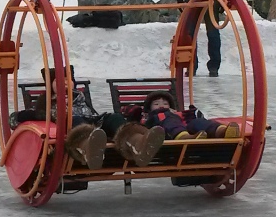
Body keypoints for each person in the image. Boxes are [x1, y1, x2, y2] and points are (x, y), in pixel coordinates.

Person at [14, 69, 165, 169]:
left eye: (68, 80)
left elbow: (92, 114)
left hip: (93, 122)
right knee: (77, 120)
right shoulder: (46, 101)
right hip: (71, 127)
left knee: (114, 118)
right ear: (50, 84)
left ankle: (137, 143)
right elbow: (22, 117)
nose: (65, 83)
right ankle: (88, 148)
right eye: (58, 80)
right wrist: (38, 115)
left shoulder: (79, 96)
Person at [140, 91, 240, 140]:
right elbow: (143, 125)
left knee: (197, 122)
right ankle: (182, 137)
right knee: (170, 120)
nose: (161, 106)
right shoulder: (151, 117)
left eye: (165, 104)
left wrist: (192, 114)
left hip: (187, 129)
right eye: (156, 104)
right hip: (166, 133)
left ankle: (221, 131)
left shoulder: (176, 114)